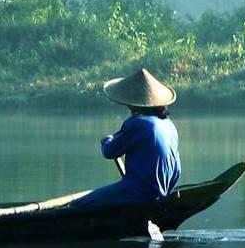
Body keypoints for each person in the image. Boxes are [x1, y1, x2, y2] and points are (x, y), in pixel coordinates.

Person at [69, 66, 180, 208]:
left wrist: (106, 140)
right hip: (163, 191)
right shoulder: (169, 125)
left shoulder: (138, 123)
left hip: (138, 192)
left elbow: (110, 151)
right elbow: (177, 170)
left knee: (77, 205)